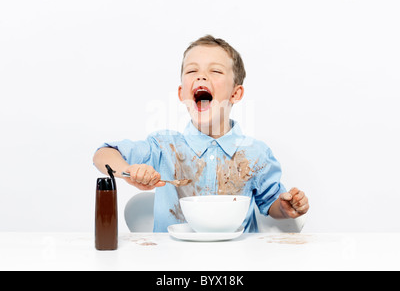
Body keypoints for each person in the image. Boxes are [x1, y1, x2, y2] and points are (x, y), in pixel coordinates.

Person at [93, 35, 309, 232]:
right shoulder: (163, 146)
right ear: (181, 93)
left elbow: (270, 203)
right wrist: (128, 170)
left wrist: (285, 207)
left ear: (236, 93)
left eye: (215, 71)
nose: (201, 77)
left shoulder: (256, 154)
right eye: (191, 71)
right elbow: (103, 154)